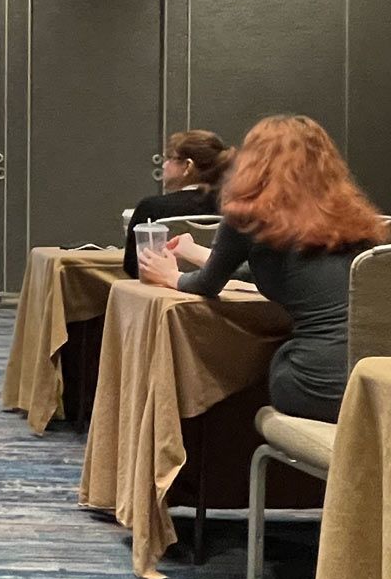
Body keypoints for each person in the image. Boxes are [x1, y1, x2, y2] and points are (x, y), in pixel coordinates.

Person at [139, 115, 385, 422]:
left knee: (268, 360)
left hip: (319, 386)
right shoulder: (352, 218)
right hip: (377, 386)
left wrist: (171, 276)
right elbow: (285, 273)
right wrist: (201, 253)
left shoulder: (247, 214)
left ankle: (218, 459)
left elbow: (206, 285)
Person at [122, 129, 232, 278]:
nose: (163, 165)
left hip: (164, 293)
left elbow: (133, 267)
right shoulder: (234, 209)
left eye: (169, 158)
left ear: (188, 166)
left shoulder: (152, 208)